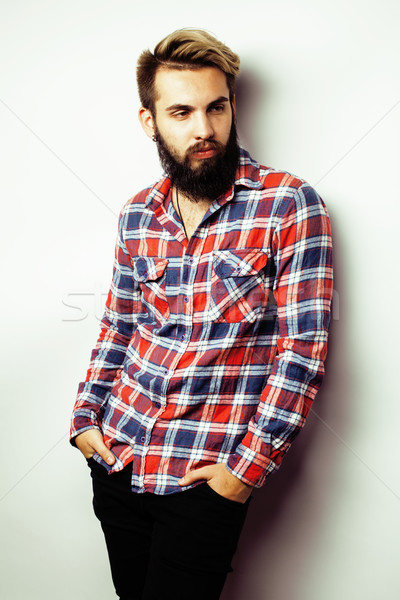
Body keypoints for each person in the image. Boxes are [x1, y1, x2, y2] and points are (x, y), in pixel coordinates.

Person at [70, 28, 333, 600]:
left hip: (203, 478)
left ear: (233, 106)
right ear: (150, 121)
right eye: (182, 111)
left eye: (216, 107)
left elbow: (301, 354)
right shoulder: (138, 214)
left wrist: (243, 473)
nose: (204, 129)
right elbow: (119, 325)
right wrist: (85, 420)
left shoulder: (288, 205)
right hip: (119, 458)